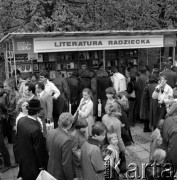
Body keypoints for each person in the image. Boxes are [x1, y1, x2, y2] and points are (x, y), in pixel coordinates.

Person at [17, 99, 48, 180]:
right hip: (33, 165)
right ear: (37, 112)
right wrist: (42, 165)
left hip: (24, 160)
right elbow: (39, 150)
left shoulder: (20, 121)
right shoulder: (36, 129)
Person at [47, 112, 74, 180]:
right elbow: (66, 164)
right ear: (70, 125)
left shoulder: (50, 132)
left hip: (50, 169)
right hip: (60, 174)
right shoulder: (67, 140)